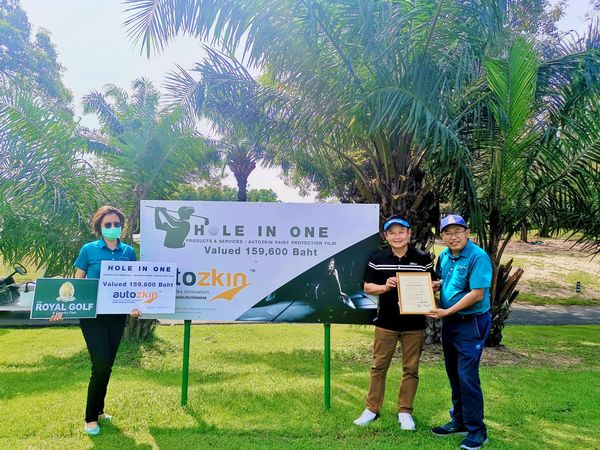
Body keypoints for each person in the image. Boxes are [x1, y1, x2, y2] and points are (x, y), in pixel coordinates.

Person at [50, 205, 140, 436]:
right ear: (100, 227)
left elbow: (131, 284)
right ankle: (90, 418)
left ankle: (99, 411)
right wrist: (62, 308)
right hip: (93, 316)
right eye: (107, 225)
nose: (112, 228)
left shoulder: (128, 252)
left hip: (117, 316)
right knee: (100, 363)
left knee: (107, 364)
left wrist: (135, 306)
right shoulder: (88, 250)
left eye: (116, 224)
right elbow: (76, 284)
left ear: (121, 226)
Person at [354, 215, 438, 430]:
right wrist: (386, 286)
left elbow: (433, 281)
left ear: (409, 234)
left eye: (402, 232)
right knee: (378, 367)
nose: (397, 236)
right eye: (392, 233)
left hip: (415, 324)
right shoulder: (377, 258)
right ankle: (372, 409)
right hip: (386, 323)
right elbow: (367, 287)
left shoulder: (422, 258)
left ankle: (405, 412)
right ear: (386, 236)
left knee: (411, 368)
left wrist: (431, 286)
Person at [427, 214, 493, 450]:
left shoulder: (478, 257)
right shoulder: (445, 256)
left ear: (467, 232)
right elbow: (447, 280)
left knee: (467, 376)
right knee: (454, 373)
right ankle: (459, 420)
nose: (452, 236)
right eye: (447, 232)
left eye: (457, 231)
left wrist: (447, 311)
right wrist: (436, 285)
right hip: (451, 323)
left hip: (471, 322)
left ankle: (477, 431)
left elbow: (476, 294)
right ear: (442, 237)